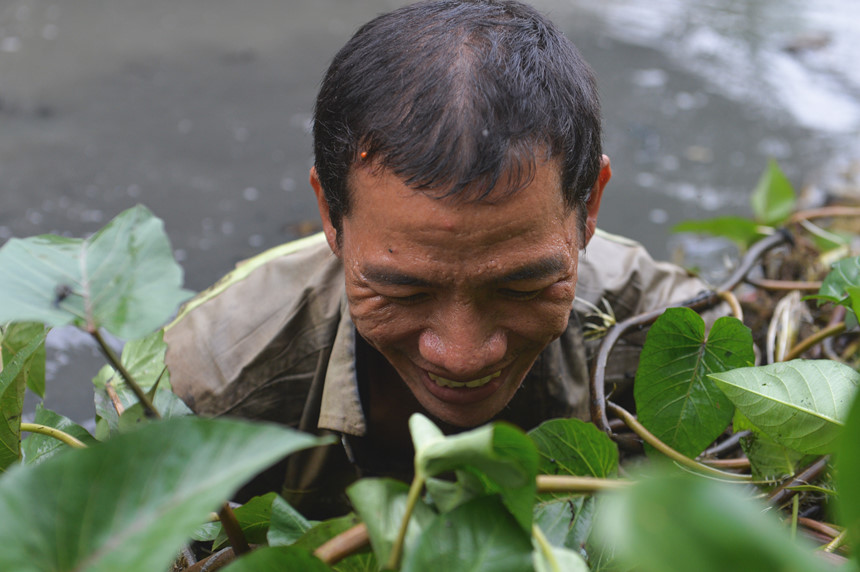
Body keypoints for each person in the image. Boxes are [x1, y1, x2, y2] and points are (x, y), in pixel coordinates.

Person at [164, 0, 710, 517]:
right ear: (331, 215)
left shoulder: (656, 327)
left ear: (588, 205)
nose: (463, 357)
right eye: (403, 292)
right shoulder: (214, 385)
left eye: (521, 288)